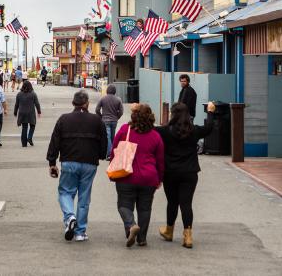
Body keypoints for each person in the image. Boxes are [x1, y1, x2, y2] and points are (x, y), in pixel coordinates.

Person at [47, 90, 108, 242]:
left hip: (69, 161)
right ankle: (80, 232)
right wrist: (100, 155)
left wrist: (52, 162)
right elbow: (104, 142)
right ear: (87, 103)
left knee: (65, 192)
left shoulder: (64, 119)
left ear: (73, 103)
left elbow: (55, 141)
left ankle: (70, 217)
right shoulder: (96, 120)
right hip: (89, 163)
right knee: (84, 198)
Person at [156, 102, 215, 248]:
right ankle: (187, 236)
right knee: (186, 204)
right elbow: (209, 128)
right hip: (190, 172)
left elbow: (148, 129)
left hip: (170, 173)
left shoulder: (164, 131)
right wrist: (210, 112)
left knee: (172, 202)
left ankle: (169, 231)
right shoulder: (194, 131)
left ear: (173, 114)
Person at [110, 104, 164, 248]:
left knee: (123, 205)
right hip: (148, 178)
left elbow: (114, 150)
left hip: (126, 175)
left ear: (133, 117)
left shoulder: (124, 130)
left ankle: (131, 225)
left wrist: (112, 165)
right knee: (145, 208)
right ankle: (142, 239)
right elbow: (160, 160)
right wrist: (159, 179)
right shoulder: (155, 136)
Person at [96, 84, 124, 155]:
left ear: (107, 91)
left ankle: (109, 153)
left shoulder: (103, 99)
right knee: (112, 137)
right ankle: (113, 151)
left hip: (105, 120)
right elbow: (121, 111)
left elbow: (97, 109)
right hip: (114, 121)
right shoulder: (118, 99)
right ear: (115, 91)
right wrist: (117, 117)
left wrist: (101, 116)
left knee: (107, 137)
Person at [15, 80, 41, 147]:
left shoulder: (19, 94)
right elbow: (37, 104)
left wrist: (15, 112)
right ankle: (29, 137)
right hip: (30, 113)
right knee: (33, 125)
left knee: (24, 127)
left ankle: (24, 143)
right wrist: (39, 112)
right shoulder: (33, 94)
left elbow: (16, 104)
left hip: (22, 113)